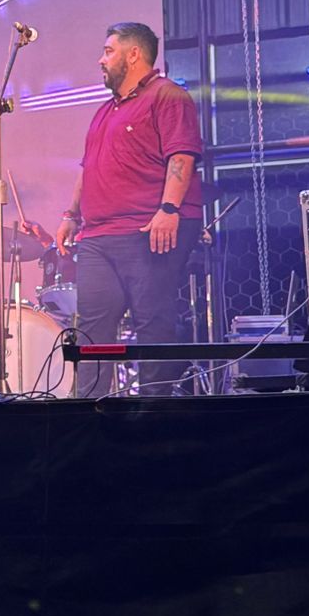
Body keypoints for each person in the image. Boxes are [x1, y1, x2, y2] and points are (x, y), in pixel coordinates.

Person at [54, 22, 203, 396]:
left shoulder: (168, 96)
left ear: (134, 54)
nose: (100, 59)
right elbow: (88, 167)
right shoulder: (105, 111)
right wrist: (71, 215)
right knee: (92, 330)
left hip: (146, 229)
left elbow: (181, 155)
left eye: (108, 51)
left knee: (152, 322)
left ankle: (155, 412)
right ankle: (89, 411)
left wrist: (168, 208)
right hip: (98, 235)